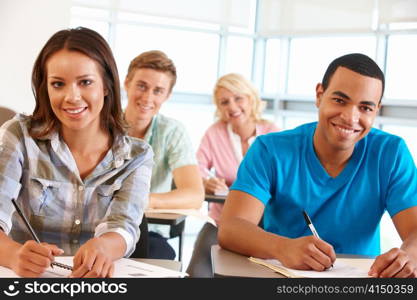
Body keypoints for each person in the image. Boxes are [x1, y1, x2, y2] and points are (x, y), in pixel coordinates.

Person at [218, 53, 417, 278]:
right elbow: (231, 228)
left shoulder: (391, 153)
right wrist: (282, 247)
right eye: (340, 100)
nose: (351, 117)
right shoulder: (270, 149)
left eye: (365, 108)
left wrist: (410, 254)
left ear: (376, 111)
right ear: (319, 95)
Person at [0, 27, 153, 278]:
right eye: (58, 84)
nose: (71, 97)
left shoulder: (137, 155)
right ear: (45, 88)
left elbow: (124, 226)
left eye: (85, 82)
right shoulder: (18, 135)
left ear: (106, 86)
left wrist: (104, 247)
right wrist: (14, 255)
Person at [186, 73, 279, 277]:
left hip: (266, 226)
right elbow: (195, 167)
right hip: (223, 222)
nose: (232, 107)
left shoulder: (272, 133)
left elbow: (282, 177)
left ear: (251, 99)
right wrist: (206, 181)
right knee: (197, 271)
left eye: (238, 98)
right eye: (224, 102)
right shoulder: (214, 133)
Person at [124, 50, 204, 259]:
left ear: (167, 95)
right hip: (96, 229)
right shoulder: (100, 125)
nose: (147, 97)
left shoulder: (172, 132)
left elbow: (195, 195)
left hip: (149, 232)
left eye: (158, 91)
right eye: (141, 86)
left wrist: (142, 200)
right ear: (126, 83)